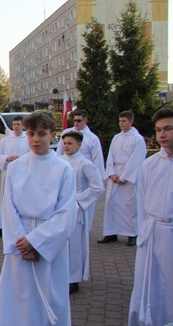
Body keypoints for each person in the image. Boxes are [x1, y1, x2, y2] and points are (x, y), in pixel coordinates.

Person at [0, 111, 76, 326]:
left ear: (53, 135)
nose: (35, 139)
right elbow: (9, 206)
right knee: (22, 299)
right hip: (20, 240)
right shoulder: (16, 167)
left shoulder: (63, 169)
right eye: (31, 133)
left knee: (48, 298)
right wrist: (21, 241)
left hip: (48, 244)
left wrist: (37, 243)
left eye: (41, 133)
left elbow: (65, 213)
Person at [120, 105, 173, 326]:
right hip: (152, 235)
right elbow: (142, 203)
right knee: (143, 297)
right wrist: (142, 235)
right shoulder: (150, 165)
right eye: (158, 130)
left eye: (168, 129)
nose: (162, 135)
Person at [60, 132, 104, 294]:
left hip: (76, 209)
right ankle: (61, 275)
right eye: (64, 143)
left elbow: (98, 187)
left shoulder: (85, 164)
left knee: (74, 245)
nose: (66, 146)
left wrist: (78, 199)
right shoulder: (59, 161)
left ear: (79, 145)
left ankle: (73, 278)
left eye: (70, 143)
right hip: (59, 208)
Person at [98, 110, 147, 246]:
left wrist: (124, 177)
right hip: (115, 173)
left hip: (129, 176)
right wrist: (111, 173)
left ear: (131, 121)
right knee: (111, 204)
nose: (121, 123)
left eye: (124, 121)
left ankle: (132, 234)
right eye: (119, 121)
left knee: (129, 206)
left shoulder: (137, 139)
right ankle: (111, 232)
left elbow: (136, 160)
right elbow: (110, 157)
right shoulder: (116, 138)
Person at [56, 109, 105, 229]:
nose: (76, 123)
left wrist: (80, 198)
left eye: (79, 120)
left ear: (85, 120)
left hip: (83, 181)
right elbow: (59, 153)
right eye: (74, 120)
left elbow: (97, 159)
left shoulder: (92, 138)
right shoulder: (67, 133)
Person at [0, 116, 29, 238]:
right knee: (5, 200)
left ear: (22, 125)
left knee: (21, 201)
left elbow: (32, 156)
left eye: (18, 124)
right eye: (14, 124)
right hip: (8, 175)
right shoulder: (5, 140)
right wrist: (6, 158)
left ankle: (20, 228)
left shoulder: (28, 140)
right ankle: (3, 227)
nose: (16, 127)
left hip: (23, 175)